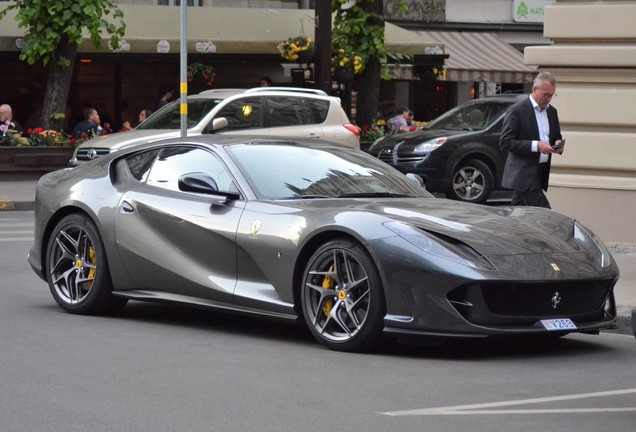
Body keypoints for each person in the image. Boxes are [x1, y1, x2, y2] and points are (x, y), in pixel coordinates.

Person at [499, 71, 564, 209]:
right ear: (534, 89)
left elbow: (556, 136)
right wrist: (536, 146)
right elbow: (505, 142)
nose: (548, 99)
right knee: (546, 216)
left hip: (540, 173)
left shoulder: (552, 112)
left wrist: (558, 144)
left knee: (519, 214)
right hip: (524, 175)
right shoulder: (517, 110)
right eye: (545, 95)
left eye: (551, 95)